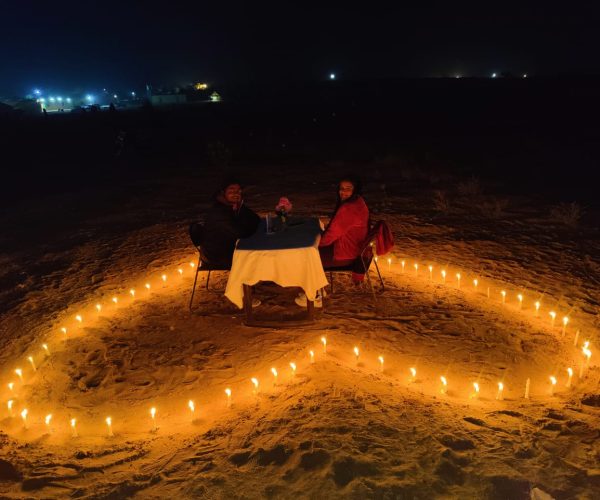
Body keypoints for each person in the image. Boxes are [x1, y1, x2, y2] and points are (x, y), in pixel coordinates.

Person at [295, 175, 369, 307]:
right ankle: (319, 289)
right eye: (341, 188)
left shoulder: (349, 208)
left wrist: (315, 244)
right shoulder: (359, 201)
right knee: (313, 248)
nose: (343, 192)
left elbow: (331, 235)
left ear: (355, 190)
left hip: (345, 253)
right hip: (353, 247)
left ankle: (314, 296)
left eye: (348, 188)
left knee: (309, 255)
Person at [201, 178, 260, 269]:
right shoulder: (219, 211)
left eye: (238, 191)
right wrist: (250, 226)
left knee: (256, 250)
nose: (236, 193)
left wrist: (241, 206)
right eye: (231, 190)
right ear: (222, 192)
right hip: (215, 256)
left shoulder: (231, 205)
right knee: (255, 255)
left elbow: (256, 219)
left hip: (227, 246)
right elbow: (241, 233)